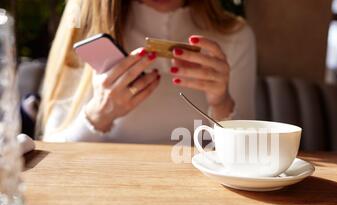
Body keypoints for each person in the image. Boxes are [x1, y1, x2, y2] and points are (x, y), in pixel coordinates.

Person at [37, 0, 256, 144]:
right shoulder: (86, 29)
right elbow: (53, 150)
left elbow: (251, 151)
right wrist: (98, 115)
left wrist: (221, 104)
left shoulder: (236, 36)